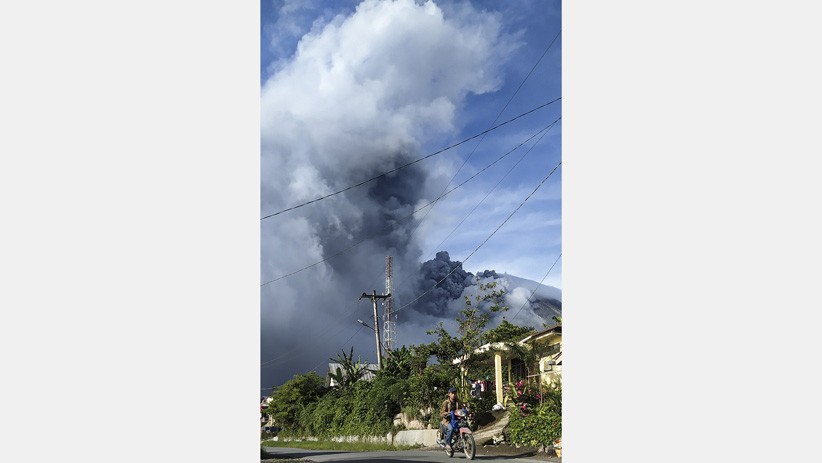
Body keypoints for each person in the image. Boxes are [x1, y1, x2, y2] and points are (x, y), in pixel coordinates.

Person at [438, 386, 464, 450]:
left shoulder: (459, 402)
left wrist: (467, 412)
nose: (453, 394)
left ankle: (464, 441)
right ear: (449, 394)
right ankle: (448, 444)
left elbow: (463, 409)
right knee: (451, 428)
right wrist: (446, 414)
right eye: (452, 393)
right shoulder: (446, 403)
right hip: (448, 421)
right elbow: (441, 413)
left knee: (465, 425)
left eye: (455, 393)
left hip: (458, 419)